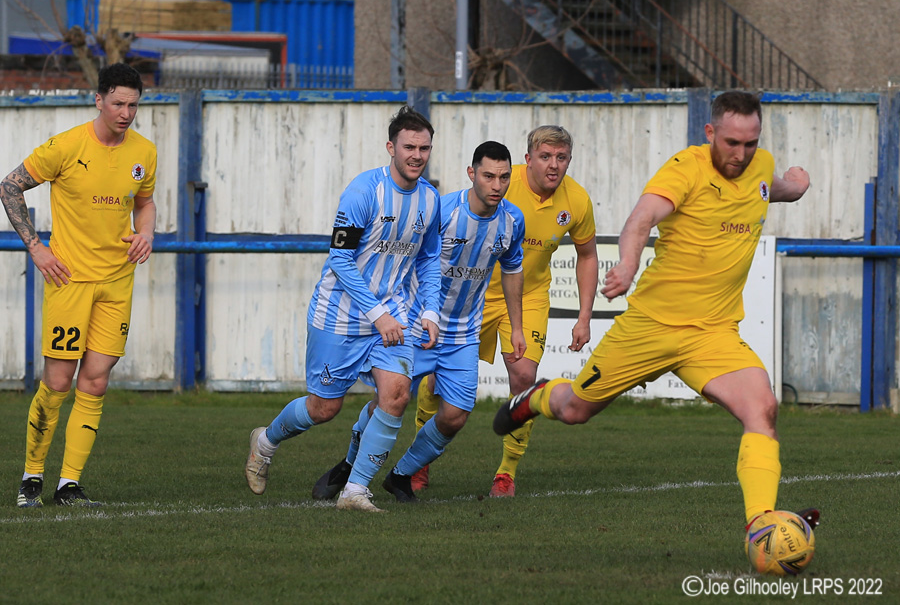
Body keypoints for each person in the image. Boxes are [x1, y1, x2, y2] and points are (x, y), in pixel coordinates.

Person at [493, 91, 819, 536]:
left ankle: (761, 525)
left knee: (762, 407)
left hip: (713, 333)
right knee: (574, 411)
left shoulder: (759, 165)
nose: (741, 154)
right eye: (731, 143)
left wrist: (795, 186)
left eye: (750, 142)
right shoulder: (686, 169)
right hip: (650, 327)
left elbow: (770, 188)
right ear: (710, 133)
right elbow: (641, 218)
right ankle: (535, 397)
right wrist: (627, 264)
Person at [244, 105, 442, 513]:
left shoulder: (430, 200)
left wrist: (430, 312)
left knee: (398, 393)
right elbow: (340, 258)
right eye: (409, 146)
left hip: (392, 316)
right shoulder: (363, 191)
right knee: (324, 409)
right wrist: (376, 313)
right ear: (391, 147)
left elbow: (428, 260)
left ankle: (354, 492)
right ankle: (265, 441)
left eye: (424, 148)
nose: (417, 155)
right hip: (340, 315)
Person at [310, 141, 527, 503]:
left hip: (463, 333)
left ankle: (401, 475)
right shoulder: (442, 211)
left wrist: (516, 326)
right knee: (389, 399)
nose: (497, 185)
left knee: (456, 415)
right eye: (489, 176)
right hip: (417, 325)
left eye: (504, 177)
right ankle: (349, 466)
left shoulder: (512, 220)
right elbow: (410, 259)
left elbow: (512, 267)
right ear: (472, 174)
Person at [2, 63, 157, 508]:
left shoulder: (144, 151)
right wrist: (36, 247)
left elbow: (144, 203)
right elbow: (10, 186)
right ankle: (32, 475)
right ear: (99, 100)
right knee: (57, 381)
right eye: (118, 104)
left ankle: (68, 484)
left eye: (133, 105)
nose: (126, 113)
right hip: (69, 281)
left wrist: (146, 232)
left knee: (95, 382)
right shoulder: (67, 146)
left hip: (117, 283)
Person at [413, 125, 598, 497]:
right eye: (545, 156)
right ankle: (420, 460)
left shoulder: (576, 201)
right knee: (434, 380)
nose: (553, 165)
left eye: (561, 158)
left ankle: (507, 472)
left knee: (523, 376)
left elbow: (588, 255)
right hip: (473, 294)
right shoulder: (500, 180)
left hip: (528, 298)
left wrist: (583, 316)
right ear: (527, 159)